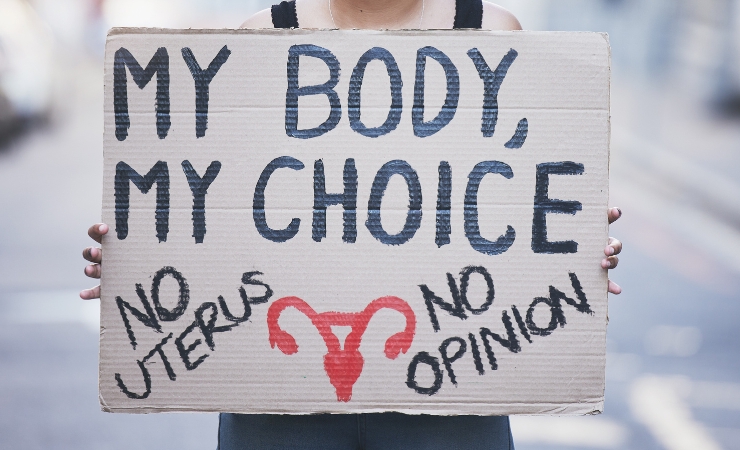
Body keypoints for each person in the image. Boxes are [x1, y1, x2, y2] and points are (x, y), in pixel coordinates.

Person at [81, 1, 623, 448]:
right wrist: (144, 257)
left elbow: (522, 193)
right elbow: (220, 204)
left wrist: (574, 242)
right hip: (278, 410)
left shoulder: (493, 33)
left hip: (452, 403)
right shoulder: (260, 38)